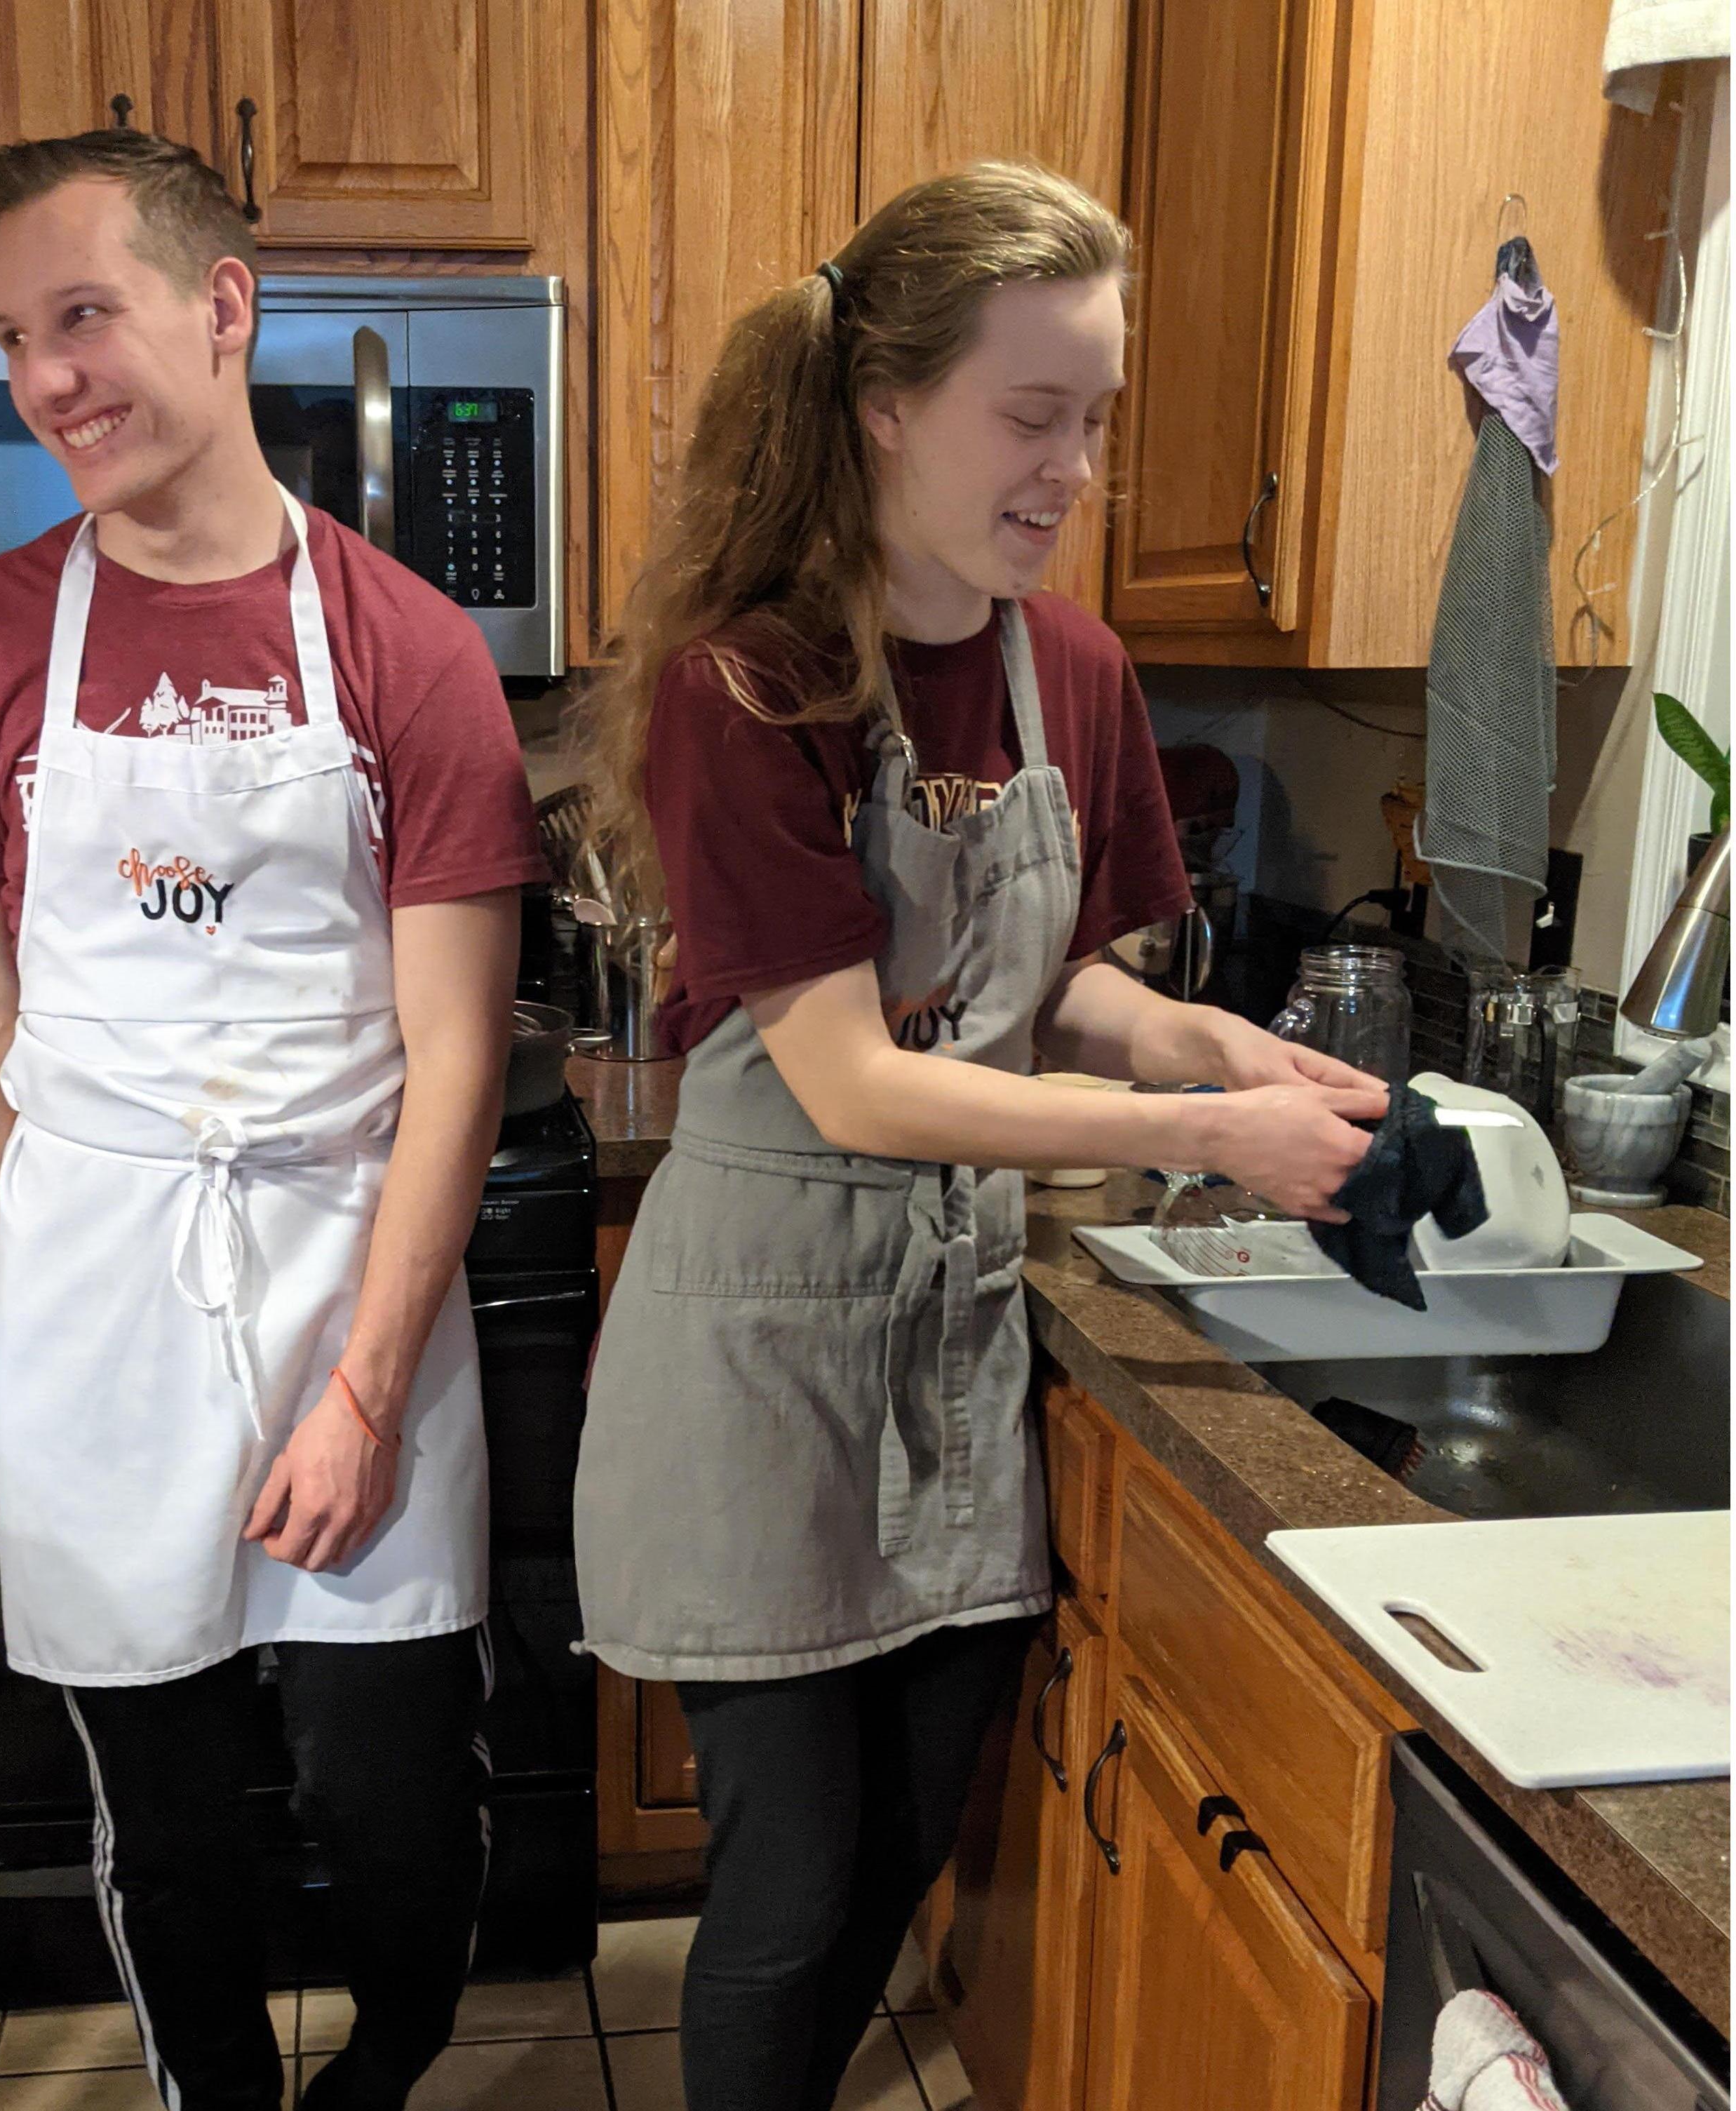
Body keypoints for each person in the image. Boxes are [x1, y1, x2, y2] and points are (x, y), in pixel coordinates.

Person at [571, 161, 1389, 2111]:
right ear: (883, 402)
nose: (1072, 467)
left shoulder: (1076, 667)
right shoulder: (748, 679)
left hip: (950, 1344)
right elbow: (853, 1080)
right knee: (785, 1880)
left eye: (1093, 420)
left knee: (907, 1839)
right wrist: (1196, 1135)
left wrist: (1215, 1049)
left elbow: (1065, 978)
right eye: (1032, 416)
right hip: (763, 1347)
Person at [0, 130, 548, 2111]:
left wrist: (358, 1388)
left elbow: (456, 1048)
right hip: (88, 1286)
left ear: (222, 304)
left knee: (395, 1792)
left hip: (350, 1277)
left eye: (86, 313)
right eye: (15, 336)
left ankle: (395, 2049)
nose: (48, 376)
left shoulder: (409, 647)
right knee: (161, 1805)